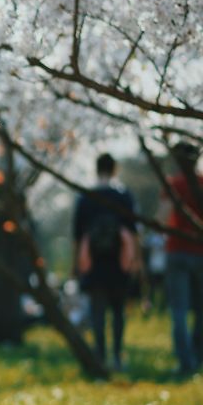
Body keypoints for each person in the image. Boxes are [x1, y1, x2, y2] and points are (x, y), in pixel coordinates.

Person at [73, 153, 140, 372]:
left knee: (97, 312)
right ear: (115, 169)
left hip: (93, 263)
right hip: (119, 262)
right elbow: (133, 231)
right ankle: (118, 356)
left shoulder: (85, 198)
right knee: (118, 312)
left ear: (96, 169)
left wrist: (76, 266)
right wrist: (136, 261)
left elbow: (77, 235)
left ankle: (100, 356)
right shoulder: (124, 196)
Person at [160, 142, 203, 377]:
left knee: (179, 310)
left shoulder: (173, 184)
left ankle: (185, 361)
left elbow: (164, 217)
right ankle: (198, 356)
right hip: (201, 252)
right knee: (201, 310)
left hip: (177, 251)